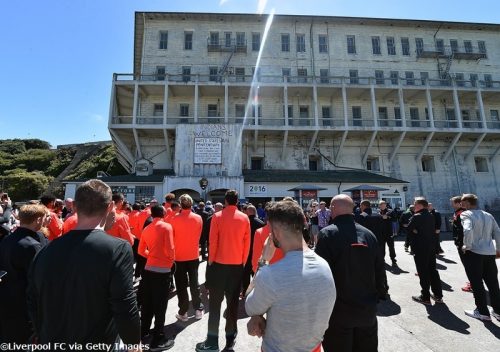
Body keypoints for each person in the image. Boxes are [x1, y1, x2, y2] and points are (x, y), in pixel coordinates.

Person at [27, 179, 141, 346]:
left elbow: (33, 301)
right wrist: (134, 344)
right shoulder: (118, 249)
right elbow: (125, 304)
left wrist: (41, 335)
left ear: (74, 207)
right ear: (110, 208)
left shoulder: (45, 250)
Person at [245, 200, 336, 352]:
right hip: (314, 347)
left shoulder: (270, 274)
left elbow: (250, 306)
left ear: (277, 232)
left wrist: (264, 260)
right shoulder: (324, 266)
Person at [316, 194, 386, 352]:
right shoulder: (369, 235)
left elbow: (320, 274)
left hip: (338, 310)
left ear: (333, 208)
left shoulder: (327, 234)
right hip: (367, 309)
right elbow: (379, 268)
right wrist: (381, 294)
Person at [196, 190, 250, 352]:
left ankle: (212, 341)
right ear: (236, 201)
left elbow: (213, 242)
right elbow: (247, 245)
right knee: (232, 305)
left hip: (218, 265)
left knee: (214, 305)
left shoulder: (217, 217)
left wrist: (210, 264)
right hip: (236, 266)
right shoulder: (244, 218)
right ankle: (230, 338)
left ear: (226, 201)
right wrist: (242, 263)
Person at [0, 204, 47, 342]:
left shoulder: (7, 239)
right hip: (24, 306)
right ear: (38, 220)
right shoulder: (32, 246)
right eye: (43, 218)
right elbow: (38, 278)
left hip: (6, 299)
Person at [137, 204, 175, 349]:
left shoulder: (147, 228)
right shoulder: (167, 227)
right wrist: (169, 261)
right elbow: (171, 249)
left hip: (148, 269)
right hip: (162, 270)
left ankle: (144, 331)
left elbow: (141, 250)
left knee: (147, 303)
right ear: (163, 213)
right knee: (160, 305)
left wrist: (152, 256)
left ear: (152, 214)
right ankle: (158, 337)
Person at [460, 193, 500, 322]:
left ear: (467, 203)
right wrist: (499, 249)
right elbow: (498, 232)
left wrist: (467, 245)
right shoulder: (488, 215)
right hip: (489, 252)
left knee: (477, 283)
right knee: (493, 284)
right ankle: (498, 311)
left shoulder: (466, 214)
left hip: (475, 252)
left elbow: (467, 229)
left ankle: (482, 312)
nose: (461, 204)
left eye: (462, 201)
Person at [170, 194, 204, 322]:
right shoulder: (198, 218)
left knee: (181, 285)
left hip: (178, 256)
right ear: (191, 204)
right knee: (194, 283)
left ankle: (183, 311)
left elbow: (171, 238)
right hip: (193, 255)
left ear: (180, 204)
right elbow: (199, 236)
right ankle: (198, 309)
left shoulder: (174, 219)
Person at [407, 197, 443, 305]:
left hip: (420, 248)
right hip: (431, 247)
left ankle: (425, 297)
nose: (414, 206)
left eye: (415, 204)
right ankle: (438, 295)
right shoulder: (430, 215)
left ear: (420, 205)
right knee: (433, 270)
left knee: (423, 272)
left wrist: (415, 230)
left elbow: (408, 229)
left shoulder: (417, 216)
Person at [241, 204, 264, 296]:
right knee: (256, 273)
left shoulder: (244, 223)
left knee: (245, 274)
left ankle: (245, 292)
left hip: (246, 252)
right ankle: (257, 292)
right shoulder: (261, 223)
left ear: (247, 212)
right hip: (258, 252)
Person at [450, 196, 472, 292]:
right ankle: (473, 281)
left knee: (468, 265)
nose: (451, 204)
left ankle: (473, 284)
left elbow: (464, 230)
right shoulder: (458, 212)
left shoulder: (462, 213)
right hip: (461, 243)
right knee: (468, 265)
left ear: (459, 203)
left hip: (463, 244)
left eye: (453, 203)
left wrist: (461, 243)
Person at [378, 200, 397, 265]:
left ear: (386, 205)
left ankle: (393, 259)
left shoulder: (390, 211)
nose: (382, 206)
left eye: (383, 204)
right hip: (381, 233)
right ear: (379, 206)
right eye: (381, 204)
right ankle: (382, 259)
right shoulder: (378, 212)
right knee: (381, 247)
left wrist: (388, 217)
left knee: (391, 247)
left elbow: (395, 219)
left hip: (389, 232)